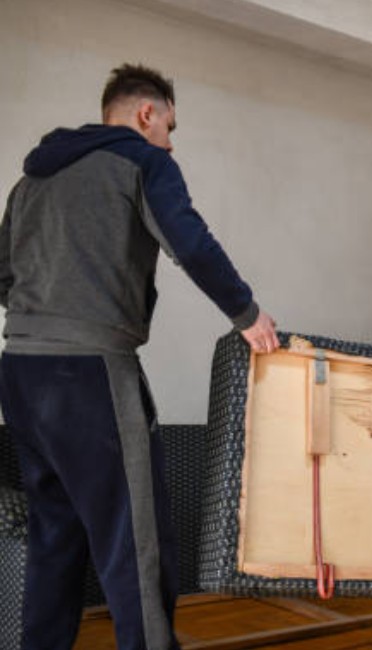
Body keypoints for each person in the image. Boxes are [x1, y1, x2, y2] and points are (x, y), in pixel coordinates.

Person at [0, 63, 279, 649]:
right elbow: (191, 242)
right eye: (170, 126)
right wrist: (247, 314)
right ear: (145, 114)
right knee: (136, 542)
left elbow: (3, 276)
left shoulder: (30, 182)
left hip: (20, 371)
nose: (171, 141)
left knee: (56, 535)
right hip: (92, 374)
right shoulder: (143, 162)